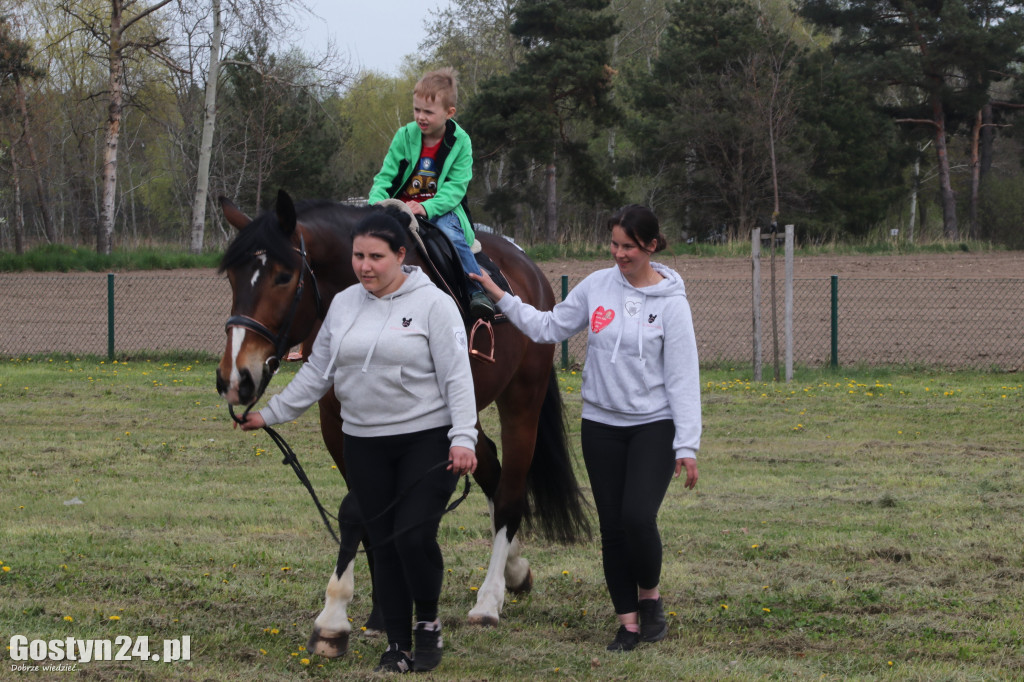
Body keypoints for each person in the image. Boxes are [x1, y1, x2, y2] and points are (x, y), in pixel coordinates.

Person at [238, 207, 478, 673]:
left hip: (425, 439)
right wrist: (270, 415)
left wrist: (463, 437)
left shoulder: (434, 304)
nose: (365, 266)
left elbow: (458, 379)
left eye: (376, 257)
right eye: (358, 256)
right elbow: (316, 373)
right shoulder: (345, 304)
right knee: (382, 542)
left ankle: (428, 623)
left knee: (412, 536)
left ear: (401, 256)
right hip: (365, 441)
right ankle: (398, 643)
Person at [470, 204, 701, 652]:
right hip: (601, 424)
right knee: (612, 527)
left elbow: (683, 377)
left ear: (651, 246)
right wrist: (500, 296)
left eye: (628, 247)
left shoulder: (672, 305)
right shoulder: (597, 287)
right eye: (614, 244)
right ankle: (628, 624)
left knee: (637, 517)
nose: (618, 254)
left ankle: (649, 597)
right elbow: (548, 326)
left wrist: (686, 444)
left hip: (653, 425)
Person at [368, 67, 494, 320]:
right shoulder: (404, 136)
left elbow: (456, 187)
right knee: (363, 238)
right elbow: (386, 176)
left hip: (441, 209)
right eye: (416, 110)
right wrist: (376, 204)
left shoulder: (461, 142)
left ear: (449, 113)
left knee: (450, 235)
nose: (420, 117)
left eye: (428, 112)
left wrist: (427, 208)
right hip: (400, 207)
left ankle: (474, 290)